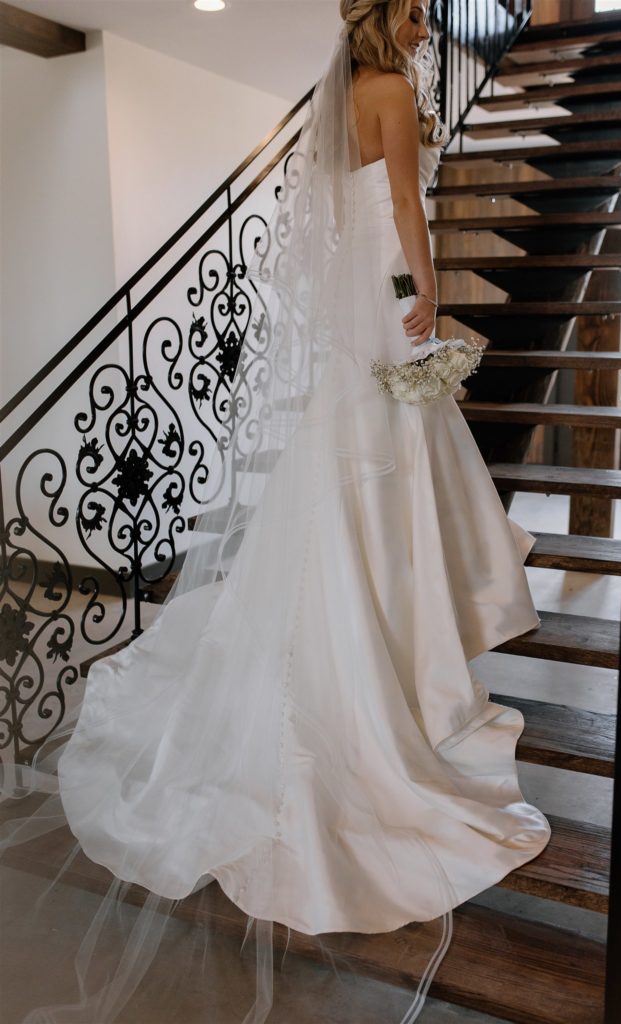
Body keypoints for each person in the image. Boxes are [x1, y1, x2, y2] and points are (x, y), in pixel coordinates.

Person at [1, 2, 552, 1021]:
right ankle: (393, 667)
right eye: (420, 12)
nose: (433, 24)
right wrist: (426, 291)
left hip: (345, 342)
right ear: (388, 20)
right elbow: (397, 203)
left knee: (353, 490)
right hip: (380, 320)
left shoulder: (332, 102)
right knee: (391, 487)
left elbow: (323, 221)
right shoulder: (385, 93)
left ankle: (382, 646)